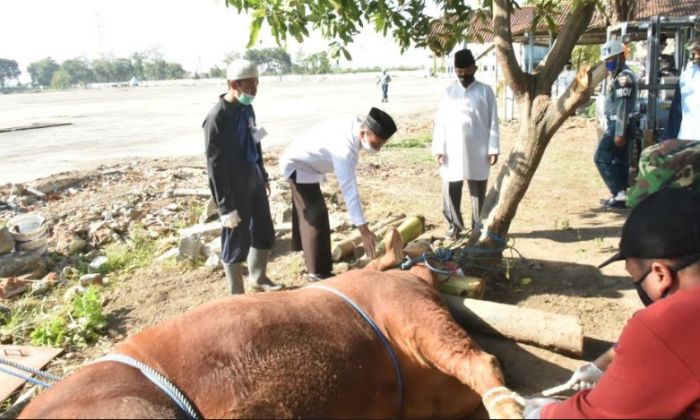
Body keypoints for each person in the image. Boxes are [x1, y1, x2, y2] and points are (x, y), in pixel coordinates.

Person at [524, 187, 700, 419]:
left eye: (635, 277)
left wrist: (542, 414)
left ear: (659, 274)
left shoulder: (669, 322)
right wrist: (600, 365)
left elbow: (596, 416)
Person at [279, 107, 397, 281]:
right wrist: (363, 230)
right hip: (298, 165)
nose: (378, 149)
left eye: (381, 145)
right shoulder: (345, 150)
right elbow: (349, 190)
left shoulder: (357, 127)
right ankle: (317, 273)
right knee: (315, 219)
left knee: (312, 214)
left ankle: (317, 264)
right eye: (375, 144)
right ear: (363, 133)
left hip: (309, 165)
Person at [202, 59, 283, 294]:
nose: (254, 92)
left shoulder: (247, 108)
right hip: (233, 184)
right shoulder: (216, 118)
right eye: (249, 87)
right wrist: (225, 206)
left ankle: (259, 278)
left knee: (263, 230)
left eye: (256, 86)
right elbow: (214, 166)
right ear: (233, 84)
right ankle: (236, 292)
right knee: (235, 237)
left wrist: (263, 173)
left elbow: (255, 140)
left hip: (254, 177)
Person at [431, 48, 499, 239]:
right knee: (451, 187)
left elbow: (493, 121)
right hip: (451, 149)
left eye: (466, 71)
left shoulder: (485, 91)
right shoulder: (448, 92)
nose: (463, 75)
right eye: (459, 72)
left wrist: (493, 148)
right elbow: (440, 121)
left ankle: (477, 226)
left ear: (474, 68)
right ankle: (454, 226)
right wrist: (438, 148)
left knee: (477, 189)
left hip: (479, 149)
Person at [595, 39, 638, 209]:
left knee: (601, 158)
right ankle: (621, 197)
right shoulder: (618, 75)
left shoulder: (624, 78)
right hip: (618, 124)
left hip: (620, 124)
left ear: (620, 56)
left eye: (611, 59)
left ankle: (619, 192)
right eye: (606, 60)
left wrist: (619, 132)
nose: (608, 63)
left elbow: (622, 107)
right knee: (619, 161)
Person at [662, 36, 700, 141]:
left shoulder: (687, 76)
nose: (696, 56)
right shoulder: (687, 76)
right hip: (687, 141)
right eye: (695, 53)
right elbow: (675, 114)